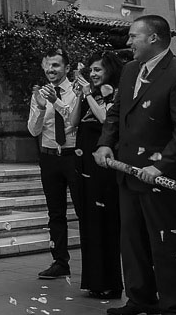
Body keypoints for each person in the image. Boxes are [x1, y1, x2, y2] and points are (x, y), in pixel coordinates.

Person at [95, 15, 176, 315]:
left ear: (154, 38)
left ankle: (175, 309)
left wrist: (159, 167)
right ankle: (141, 298)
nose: (128, 42)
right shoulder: (130, 71)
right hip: (128, 172)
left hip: (162, 177)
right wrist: (105, 145)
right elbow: (116, 113)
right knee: (132, 240)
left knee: (167, 242)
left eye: (133, 37)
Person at [69, 51, 124, 299]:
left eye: (98, 70)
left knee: (105, 219)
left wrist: (90, 94)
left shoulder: (113, 93)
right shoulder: (88, 94)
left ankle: (111, 282)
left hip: (102, 161)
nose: (93, 74)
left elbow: (106, 119)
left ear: (110, 70)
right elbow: (72, 122)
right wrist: (78, 96)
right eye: (90, 70)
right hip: (83, 160)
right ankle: (93, 280)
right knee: (88, 218)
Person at [28, 49, 81, 280]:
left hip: (74, 156)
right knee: (55, 213)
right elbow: (33, 130)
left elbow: (73, 120)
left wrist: (55, 101)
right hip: (49, 157)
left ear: (67, 68)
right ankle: (60, 262)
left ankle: (92, 262)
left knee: (83, 210)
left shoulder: (78, 90)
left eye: (56, 66)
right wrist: (40, 106)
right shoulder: (40, 93)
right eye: (48, 66)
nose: (51, 70)